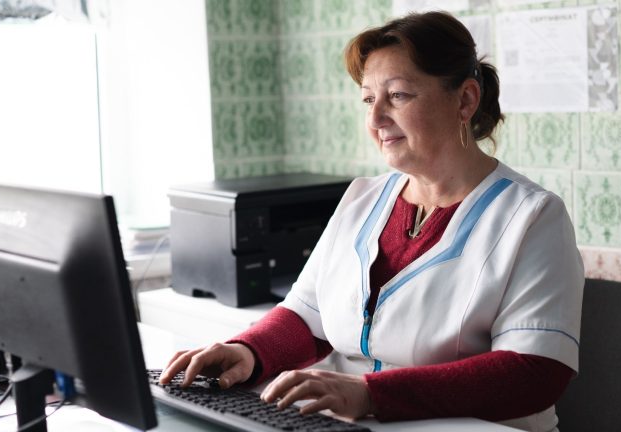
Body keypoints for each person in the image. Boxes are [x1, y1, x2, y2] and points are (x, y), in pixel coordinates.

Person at [161, 11, 583, 432]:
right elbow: (305, 317)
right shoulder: (362, 199)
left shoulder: (533, 217)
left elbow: (534, 372)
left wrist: (370, 394)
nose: (376, 117)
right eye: (368, 98)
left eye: (398, 95)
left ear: (465, 100)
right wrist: (248, 352)